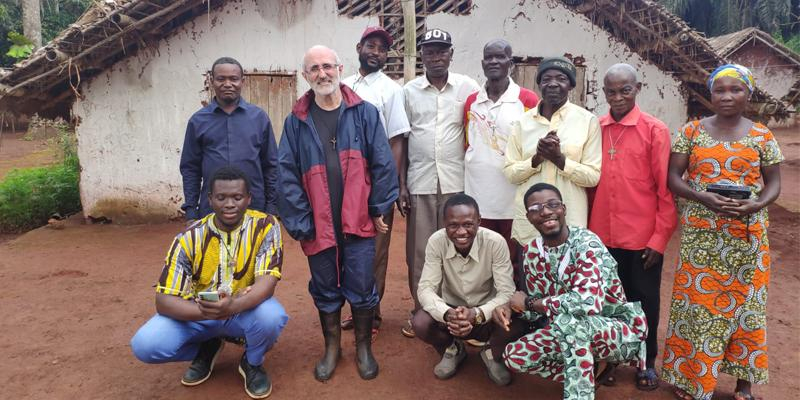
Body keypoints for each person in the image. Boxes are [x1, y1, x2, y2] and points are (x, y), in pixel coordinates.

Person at [277, 45, 398, 382]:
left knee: (361, 283)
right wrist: (301, 222)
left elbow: (384, 165)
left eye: (327, 66)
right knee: (325, 285)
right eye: (314, 68)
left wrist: (377, 208)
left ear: (340, 68)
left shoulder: (365, 113)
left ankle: (363, 347)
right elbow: (285, 174)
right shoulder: (296, 121)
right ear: (306, 75)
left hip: (358, 219)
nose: (322, 74)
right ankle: (332, 348)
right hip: (318, 224)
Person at [662, 64, 783, 400]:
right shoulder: (691, 131)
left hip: (747, 238)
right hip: (702, 237)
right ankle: (692, 382)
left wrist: (756, 205)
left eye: (736, 90)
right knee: (698, 308)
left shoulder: (762, 136)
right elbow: (673, 179)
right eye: (720, 90)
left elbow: (774, 184)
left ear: (748, 94)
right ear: (711, 94)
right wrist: (702, 196)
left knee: (747, 309)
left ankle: (743, 386)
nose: (727, 96)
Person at [131, 166, 288, 399]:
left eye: (237, 197)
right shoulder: (188, 238)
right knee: (145, 345)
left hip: (242, 309)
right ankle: (208, 346)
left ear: (248, 198)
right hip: (198, 313)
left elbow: (267, 281)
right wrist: (210, 313)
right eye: (221, 197)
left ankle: (252, 363)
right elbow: (163, 301)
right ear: (210, 200)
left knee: (271, 316)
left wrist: (232, 307)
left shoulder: (265, 226)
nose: (230, 204)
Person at [493, 183, 648, 400]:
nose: (545, 211)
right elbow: (537, 308)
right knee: (514, 356)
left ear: (563, 209)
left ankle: (580, 394)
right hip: (569, 333)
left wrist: (529, 303)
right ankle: (591, 371)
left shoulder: (587, 243)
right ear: (529, 218)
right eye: (536, 208)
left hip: (619, 331)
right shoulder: (532, 253)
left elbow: (587, 303)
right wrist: (512, 308)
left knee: (571, 322)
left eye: (552, 204)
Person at [588, 63, 677, 390]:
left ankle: (645, 360)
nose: (618, 97)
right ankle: (610, 358)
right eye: (611, 91)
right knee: (607, 301)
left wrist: (659, 239)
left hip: (641, 238)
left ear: (637, 88)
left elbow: (665, 192)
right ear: (604, 93)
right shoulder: (595, 127)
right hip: (601, 236)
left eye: (625, 90)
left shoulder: (654, 130)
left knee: (643, 301)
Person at [401, 28, 480, 338]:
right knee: (420, 252)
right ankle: (423, 310)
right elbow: (402, 139)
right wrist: (401, 185)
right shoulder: (409, 91)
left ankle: (460, 310)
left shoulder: (467, 87)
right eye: (430, 51)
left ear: (451, 53)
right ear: (422, 55)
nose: (436, 56)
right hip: (419, 181)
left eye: (441, 50)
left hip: (456, 183)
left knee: (459, 248)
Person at [341, 26, 411, 333]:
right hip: (344, 181)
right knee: (347, 246)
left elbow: (397, 140)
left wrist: (392, 185)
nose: (376, 52)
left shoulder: (391, 90)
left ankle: (372, 312)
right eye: (371, 46)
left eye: (382, 49)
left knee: (376, 249)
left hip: (376, 180)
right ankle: (354, 306)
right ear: (359, 47)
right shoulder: (341, 86)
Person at [503, 57, 601, 263]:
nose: (553, 84)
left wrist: (559, 159)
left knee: (568, 285)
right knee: (530, 286)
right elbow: (510, 173)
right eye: (546, 78)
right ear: (539, 84)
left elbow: (592, 177)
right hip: (530, 224)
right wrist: (536, 159)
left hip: (570, 222)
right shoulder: (522, 123)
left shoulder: (587, 121)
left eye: (561, 78)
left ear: (571, 85)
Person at [412, 194, 515, 384]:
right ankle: (453, 349)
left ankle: (493, 352)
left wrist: (476, 313)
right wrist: (448, 313)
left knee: (515, 319)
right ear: (444, 224)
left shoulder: (495, 242)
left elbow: (507, 292)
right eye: (453, 225)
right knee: (420, 322)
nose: (461, 232)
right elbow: (426, 288)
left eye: (468, 224)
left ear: (479, 221)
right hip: (452, 314)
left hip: (487, 314)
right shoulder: (436, 241)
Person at [464, 39, 538, 260]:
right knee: (483, 257)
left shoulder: (526, 99)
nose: (494, 61)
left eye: (500, 57)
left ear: (511, 64)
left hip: (512, 197)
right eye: (489, 57)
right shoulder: (471, 102)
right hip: (478, 194)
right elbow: (467, 144)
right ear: (482, 63)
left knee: (512, 259)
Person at [180, 57, 279, 222]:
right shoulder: (198, 121)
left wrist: (272, 206)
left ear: (242, 81)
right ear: (212, 81)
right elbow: (190, 168)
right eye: (221, 79)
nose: (227, 84)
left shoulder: (259, 118)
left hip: (254, 208)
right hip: (212, 210)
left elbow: (271, 165)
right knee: (214, 249)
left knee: (254, 248)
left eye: (233, 79)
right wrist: (191, 209)